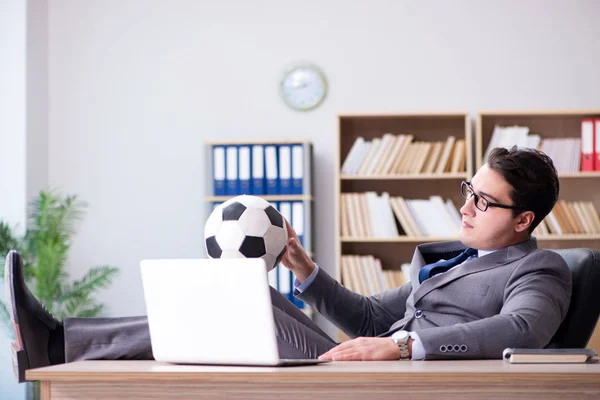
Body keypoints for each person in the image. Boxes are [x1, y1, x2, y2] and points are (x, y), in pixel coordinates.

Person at [6, 146, 571, 382]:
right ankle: (56, 341)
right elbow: (372, 317)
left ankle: (55, 343)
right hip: (371, 362)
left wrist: (402, 347)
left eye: (484, 201)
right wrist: (304, 268)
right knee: (250, 296)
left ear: (523, 221)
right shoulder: (455, 263)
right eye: (469, 189)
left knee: (239, 310)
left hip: (396, 379)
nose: (466, 206)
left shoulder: (540, 269)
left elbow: (523, 330)